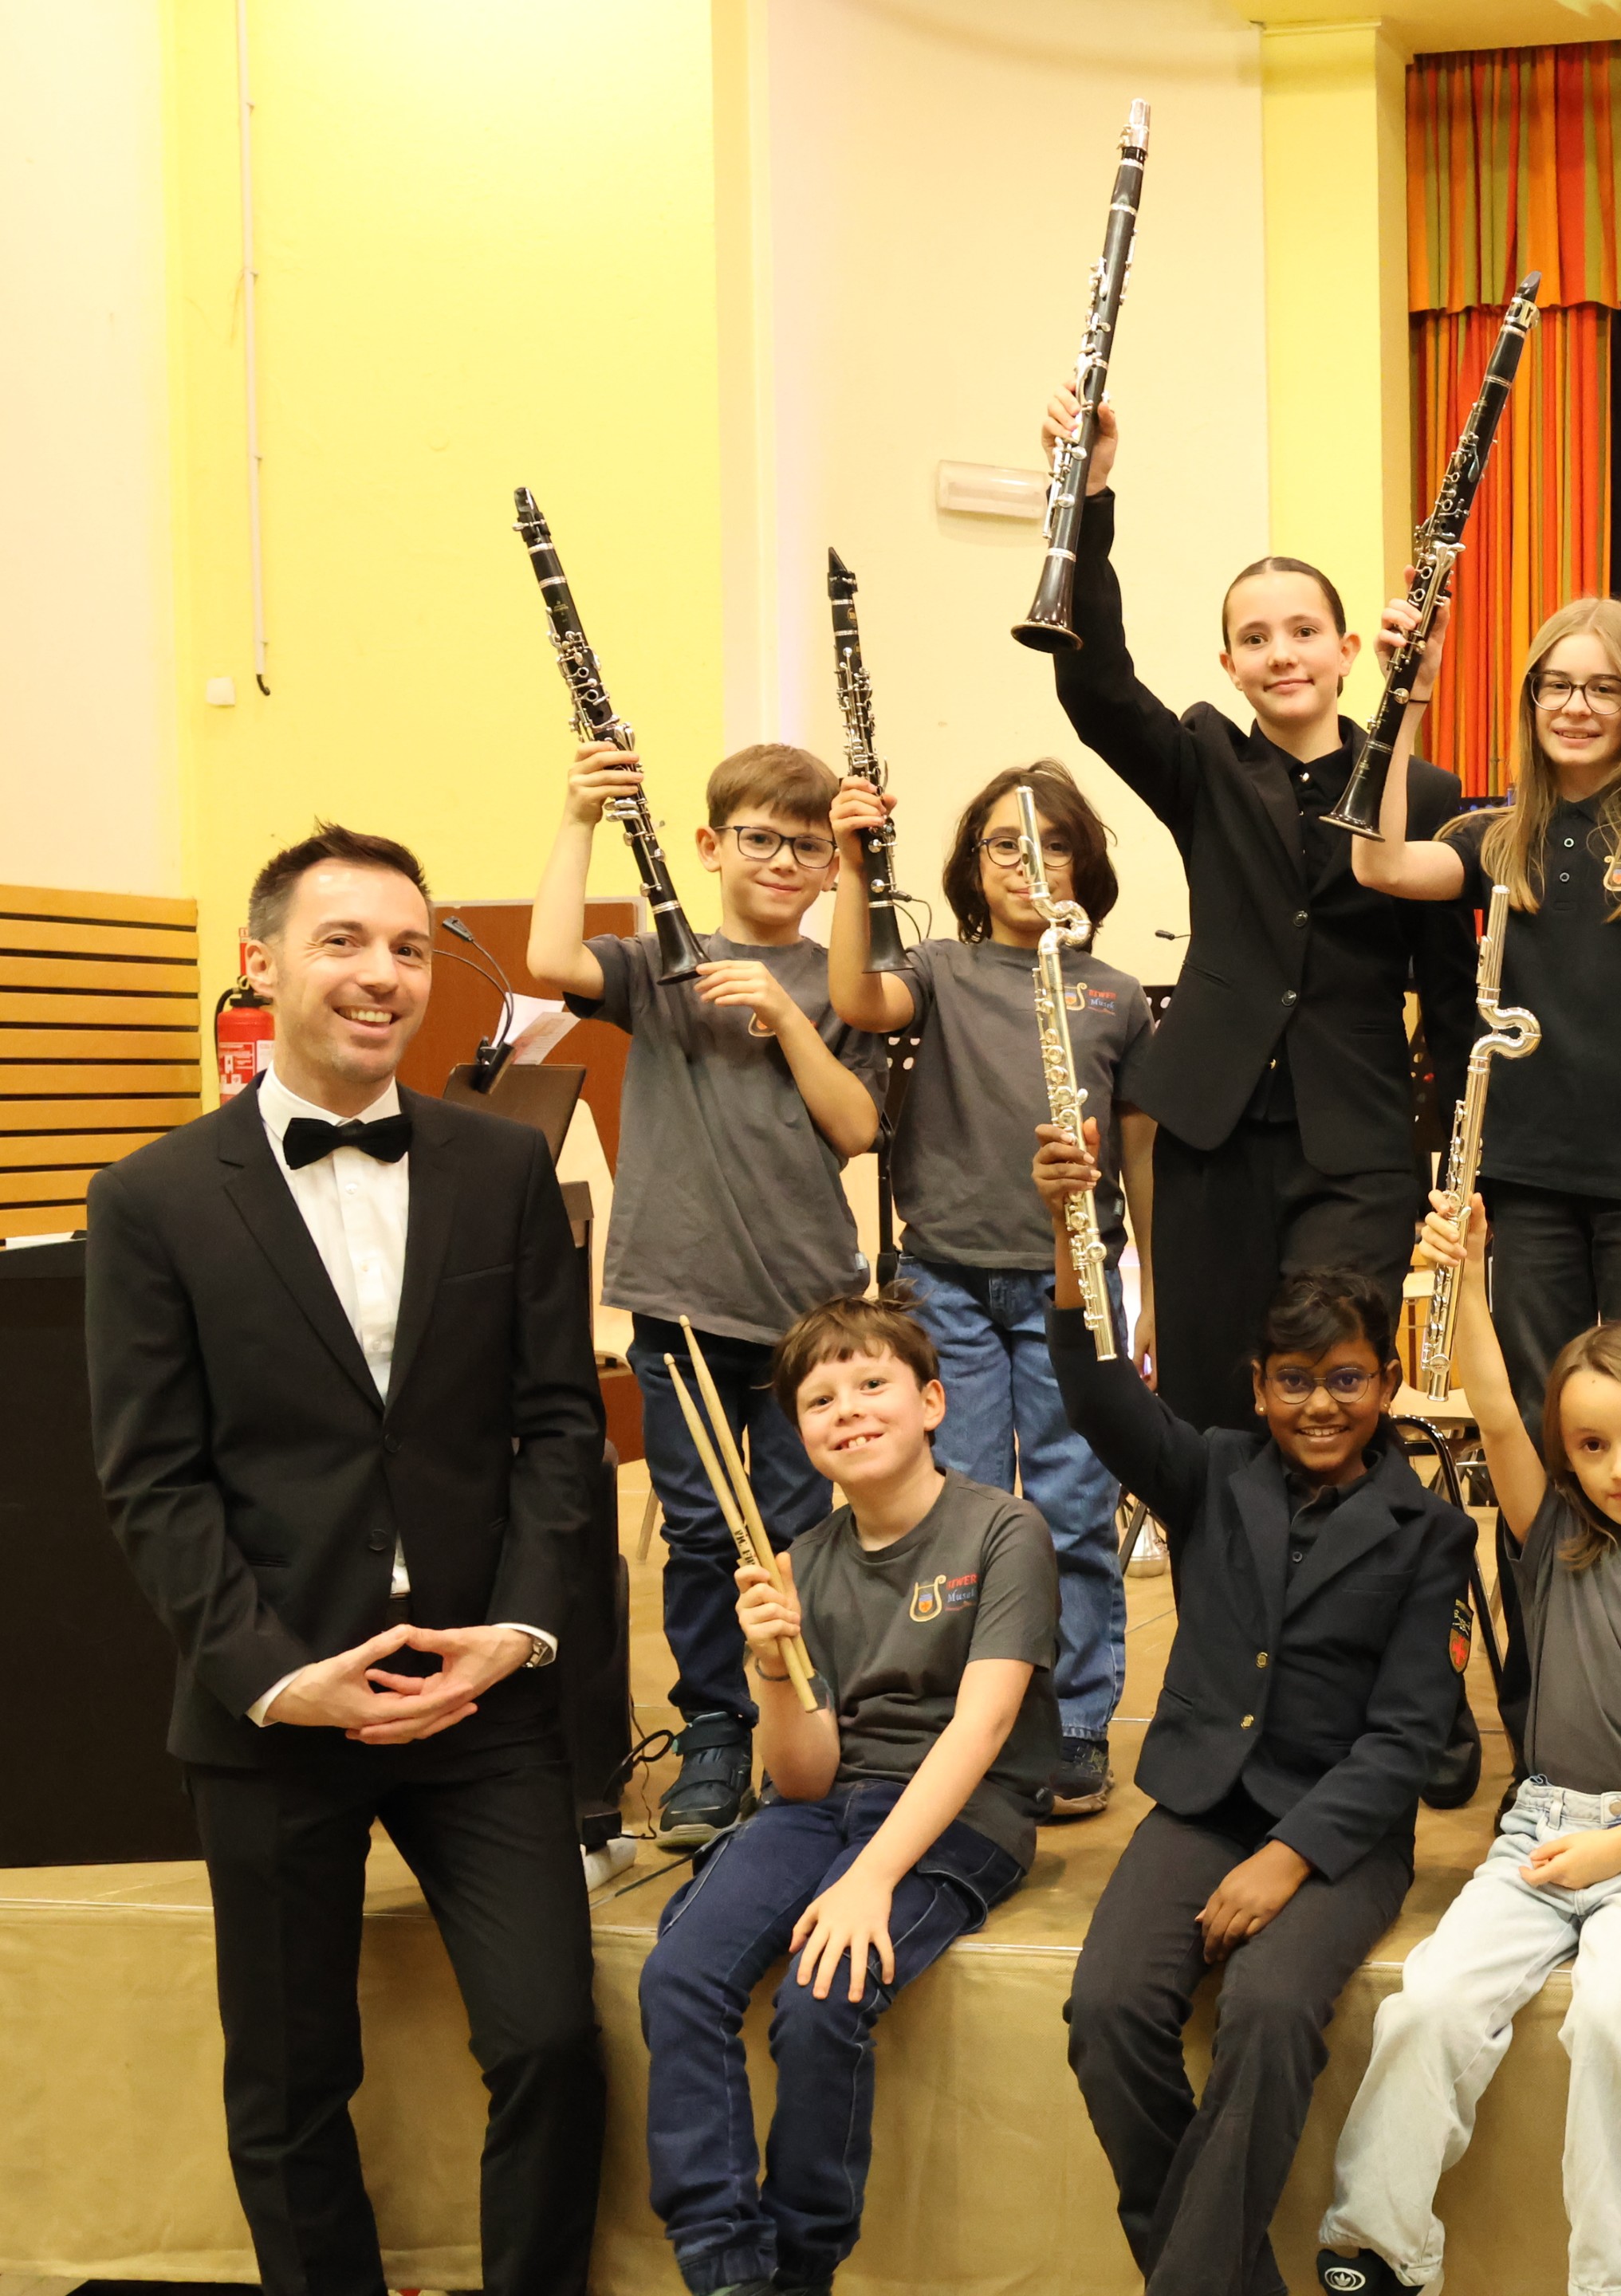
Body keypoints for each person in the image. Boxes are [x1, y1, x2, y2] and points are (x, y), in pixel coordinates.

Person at [87, 824, 606, 2294]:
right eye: (343, 942)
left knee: (552, 2042)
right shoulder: (152, 1197)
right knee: (291, 2082)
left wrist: (520, 1631)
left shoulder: (505, 1166)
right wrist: (276, 1677)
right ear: (260, 965)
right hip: (276, 1707)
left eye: (408, 948)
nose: (384, 975)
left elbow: (561, 1428)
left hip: (478, 1690)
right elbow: (152, 1478)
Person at [1031, 1118, 1472, 2296]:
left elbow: (1406, 1739)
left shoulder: (1431, 1532)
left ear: (1387, 1382)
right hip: (1200, 1807)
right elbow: (1095, 1391)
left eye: (1347, 1380)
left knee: (1271, 2014)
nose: (1320, 1405)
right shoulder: (1214, 1472)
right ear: (1260, 1386)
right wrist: (1072, 1238)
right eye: (1294, 1382)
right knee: (1107, 2008)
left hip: (1340, 1836)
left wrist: (1289, 1859)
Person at [1314, 1199, 1621, 2296]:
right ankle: (1378, 2246)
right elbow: (1493, 1406)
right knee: (1431, 2000)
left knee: (1616, 2020)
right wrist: (1470, 1274)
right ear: (1565, 1455)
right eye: (1591, 1445)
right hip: (1542, 1829)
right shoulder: (1557, 1539)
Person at [1034, 383, 1478, 1433]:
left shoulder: (1425, 793)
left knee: (1334, 1389)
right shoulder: (1204, 761)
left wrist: (1470, 1168)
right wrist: (1087, 495)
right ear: (1230, 666)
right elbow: (1095, 688)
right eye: (1256, 638)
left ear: (1346, 652)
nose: (1282, 653)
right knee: (1214, 1400)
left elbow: (1452, 997)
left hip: (1357, 1145)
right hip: (1211, 1134)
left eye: (1304, 631)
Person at [636, 1294, 1059, 2296]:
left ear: (932, 1402)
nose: (850, 1410)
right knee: (680, 1973)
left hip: (961, 1810)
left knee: (822, 1999)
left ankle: (802, 2267)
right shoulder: (801, 1562)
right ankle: (724, 2262)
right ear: (799, 1433)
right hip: (828, 1805)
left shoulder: (1005, 1529)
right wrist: (770, 1664)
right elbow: (804, 1777)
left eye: (873, 1384)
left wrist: (870, 1879)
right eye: (820, 1400)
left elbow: (983, 1727)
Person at [529, 737, 885, 1845]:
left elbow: (858, 1128)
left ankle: (800, 1719)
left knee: (796, 1531)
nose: (781, 861)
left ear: (832, 867)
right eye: (759, 839)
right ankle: (716, 1732)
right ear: (709, 845)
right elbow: (548, 957)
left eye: (808, 848)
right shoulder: (659, 965)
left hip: (808, 1312)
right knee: (697, 1531)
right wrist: (580, 813)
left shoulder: (842, 985)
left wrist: (786, 1019)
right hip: (679, 1301)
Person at [827, 761, 1159, 1822]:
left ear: (1085, 863)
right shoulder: (938, 968)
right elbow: (854, 998)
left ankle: (1074, 1721)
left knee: (1073, 1508)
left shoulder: (1114, 994)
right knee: (955, 1509)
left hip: (1074, 1282)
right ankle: (967, 1721)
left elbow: (1140, 1160)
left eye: (1052, 844)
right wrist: (853, 865)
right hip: (947, 1279)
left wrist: (1149, 1291)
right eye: (1005, 846)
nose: (1029, 864)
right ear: (974, 867)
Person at [1348, 595, 1621, 1435]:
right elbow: (1378, 863)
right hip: (1527, 1188)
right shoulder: (1496, 839)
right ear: (1531, 698)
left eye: (1604, 689)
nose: (1576, 707)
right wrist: (1409, 697)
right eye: (1556, 686)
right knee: (1543, 1426)